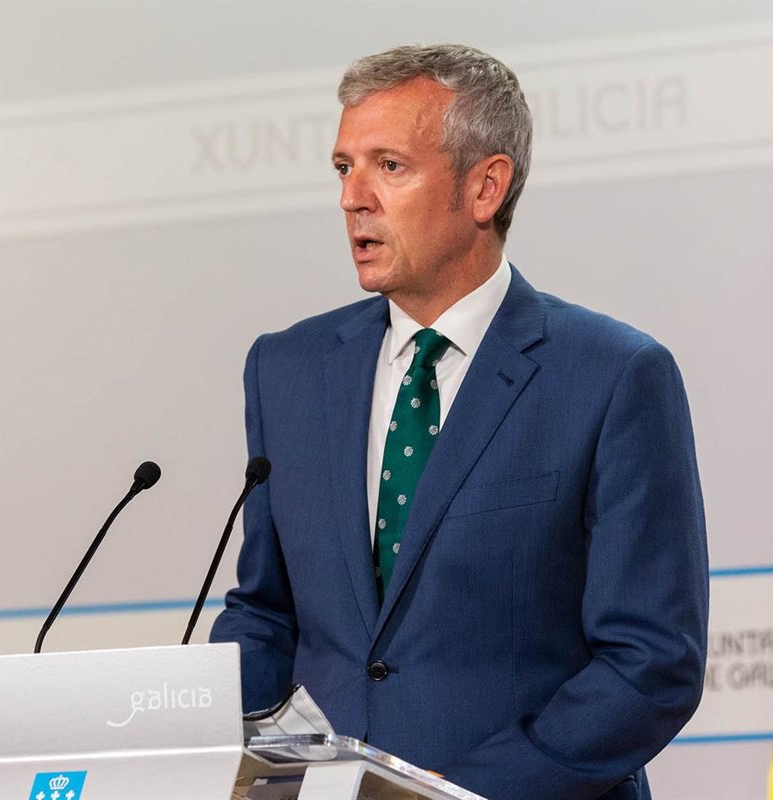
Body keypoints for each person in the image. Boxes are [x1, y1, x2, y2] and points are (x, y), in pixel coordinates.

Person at [210, 44, 708, 800]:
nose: (353, 198)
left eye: (389, 166)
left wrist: (453, 794)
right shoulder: (287, 370)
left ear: (485, 187)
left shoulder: (612, 376)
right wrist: (179, 724)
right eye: (344, 168)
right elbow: (267, 613)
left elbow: (651, 664)